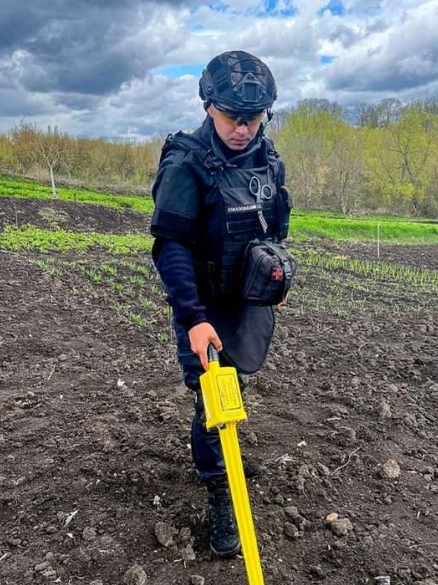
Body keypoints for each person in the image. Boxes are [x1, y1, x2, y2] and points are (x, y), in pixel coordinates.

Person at [149, 50, 294, 558]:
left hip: (247, 301)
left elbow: (276, 225)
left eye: (253, 118)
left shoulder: (267, 159)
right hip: (203, 305)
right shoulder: (187, 163)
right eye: (232, 117)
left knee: (237, 383)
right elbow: (171, 247)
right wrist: (192, 319)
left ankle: (222, 454)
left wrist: (272, 284)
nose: (242, 128)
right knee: (212, 399)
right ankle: (220, 489)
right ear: (209, 106)